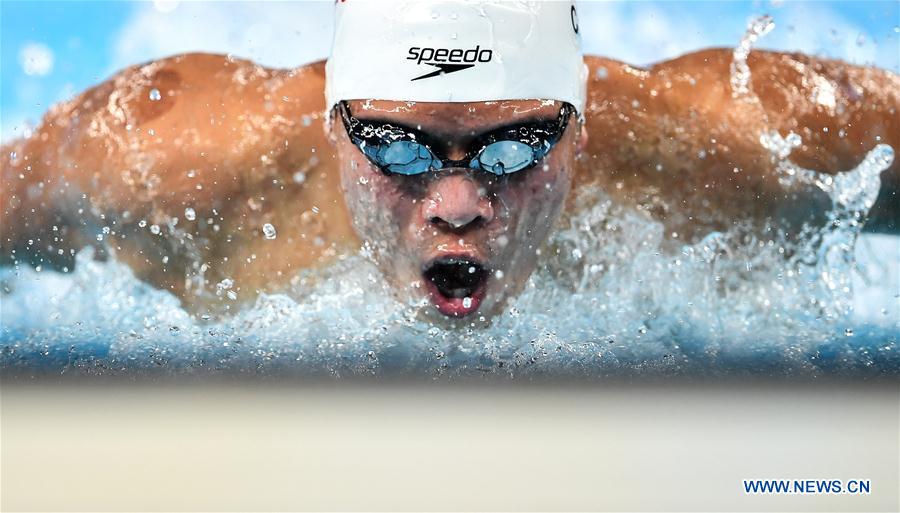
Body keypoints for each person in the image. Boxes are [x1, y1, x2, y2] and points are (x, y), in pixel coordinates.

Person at [1, 1, 897, 322]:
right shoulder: (159, 158)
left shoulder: (748, 143)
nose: (461, 203)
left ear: (579, 132)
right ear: (331, 128)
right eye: (394, 146)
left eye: (517, 146)